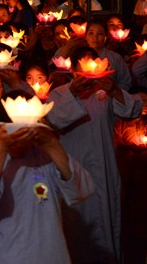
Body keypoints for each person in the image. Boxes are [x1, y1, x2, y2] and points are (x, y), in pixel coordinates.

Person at [46, 46, 143, 263]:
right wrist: (73, 93)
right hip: (75, 165)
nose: (89, 68)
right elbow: (54, 120)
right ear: (74, 69)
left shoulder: (105, 91)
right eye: (83, 63)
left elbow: (133, 110)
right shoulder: (60, 93)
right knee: (78, 224)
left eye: (93, 62)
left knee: (107, 215)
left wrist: (115, 90)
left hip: (104, 163)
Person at [0, 115, 94, 263]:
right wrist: (2, 148)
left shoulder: (45, 153)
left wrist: (52, 143)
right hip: (7, 255)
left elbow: (80, 190)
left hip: (50, 253)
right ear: (0, 127)